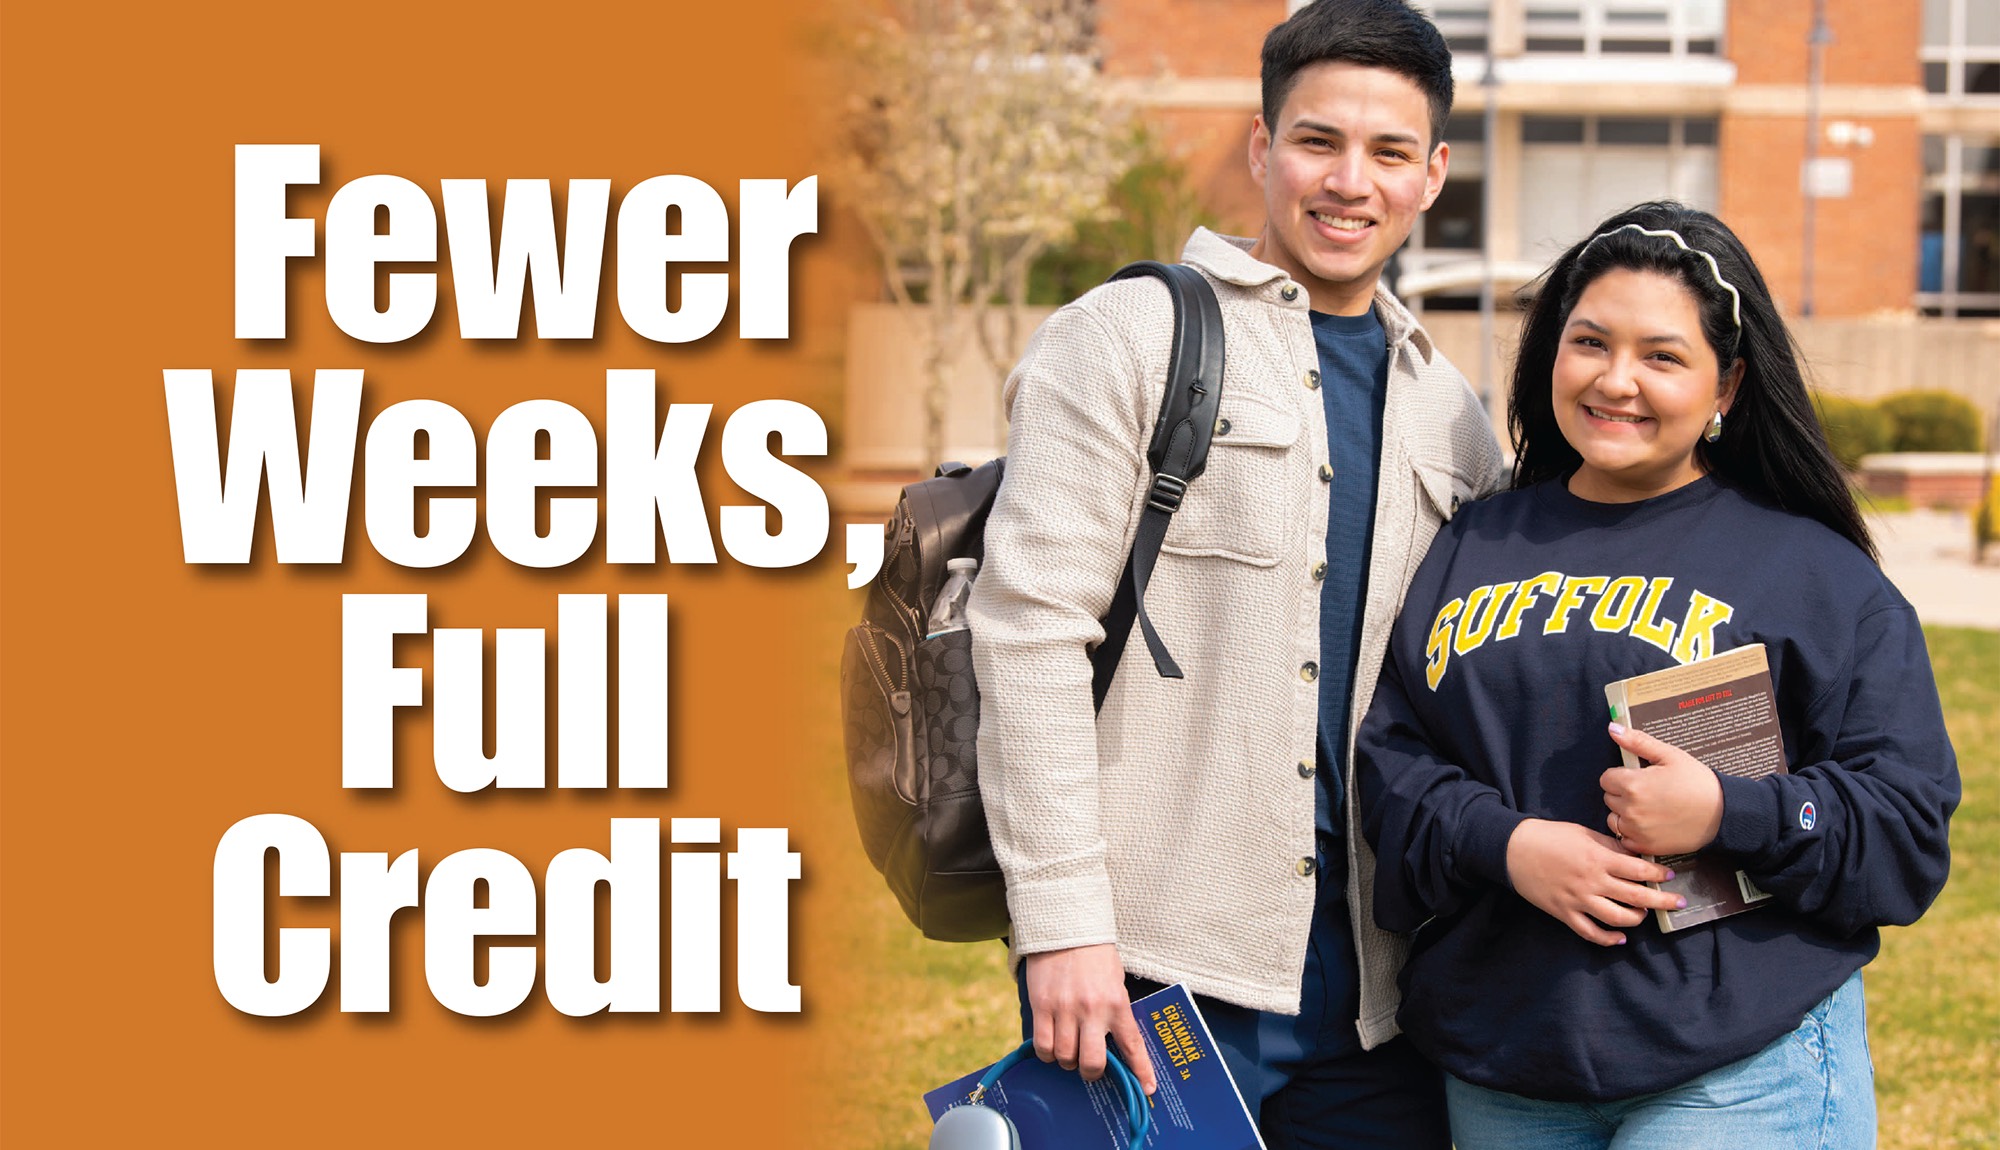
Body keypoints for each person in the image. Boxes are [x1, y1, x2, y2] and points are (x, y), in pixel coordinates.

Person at [966, 2, 1503, 1146]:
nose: (1347, 181)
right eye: (1316, 141)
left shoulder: (1451, 413)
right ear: (1262, 151)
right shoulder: (1124, 338)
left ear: (1431, 175)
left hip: (1376, 999)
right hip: (1151, 963)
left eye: (1387, 152)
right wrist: (1061, 923)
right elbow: (1025, 630)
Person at [1355, 201, 1961, 1148]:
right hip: (1506, 1068)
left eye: (1663, 357)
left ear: (1729, 386)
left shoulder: (1813, 573)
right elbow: (1392, 765)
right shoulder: (1476, 539)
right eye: (1589, 342)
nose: (1617, 380)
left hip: (1738, 1070)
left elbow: (1905, 832)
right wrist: (1510, 847)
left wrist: (1731, 812)